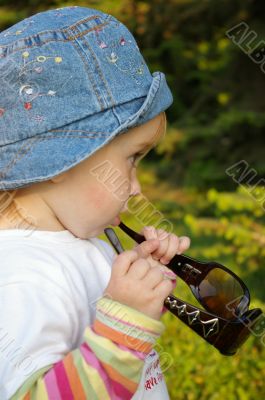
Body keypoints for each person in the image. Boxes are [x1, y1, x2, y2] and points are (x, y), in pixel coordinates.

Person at [0, 6, 191, 400]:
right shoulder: (22, 279)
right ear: (59, 161)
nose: (137, 188)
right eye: (131, 159)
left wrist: (141, 284)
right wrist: (126, 324)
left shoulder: (80, 239)